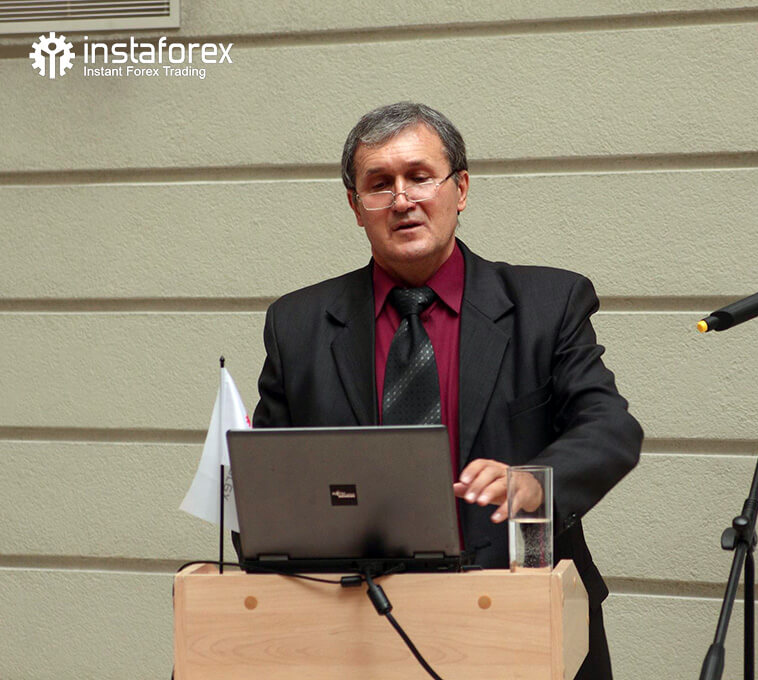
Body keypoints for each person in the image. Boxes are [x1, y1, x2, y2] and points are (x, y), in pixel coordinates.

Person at [251, 101, 643, 679]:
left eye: (419, 177)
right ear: (356, 207)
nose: (402, 200)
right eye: (379, 184)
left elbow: (611, 429)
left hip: (517, 620)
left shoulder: (547, 304)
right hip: (355, 630)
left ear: (460, 189)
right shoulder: (298, 325)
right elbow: (266, 489)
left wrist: (533, 482)